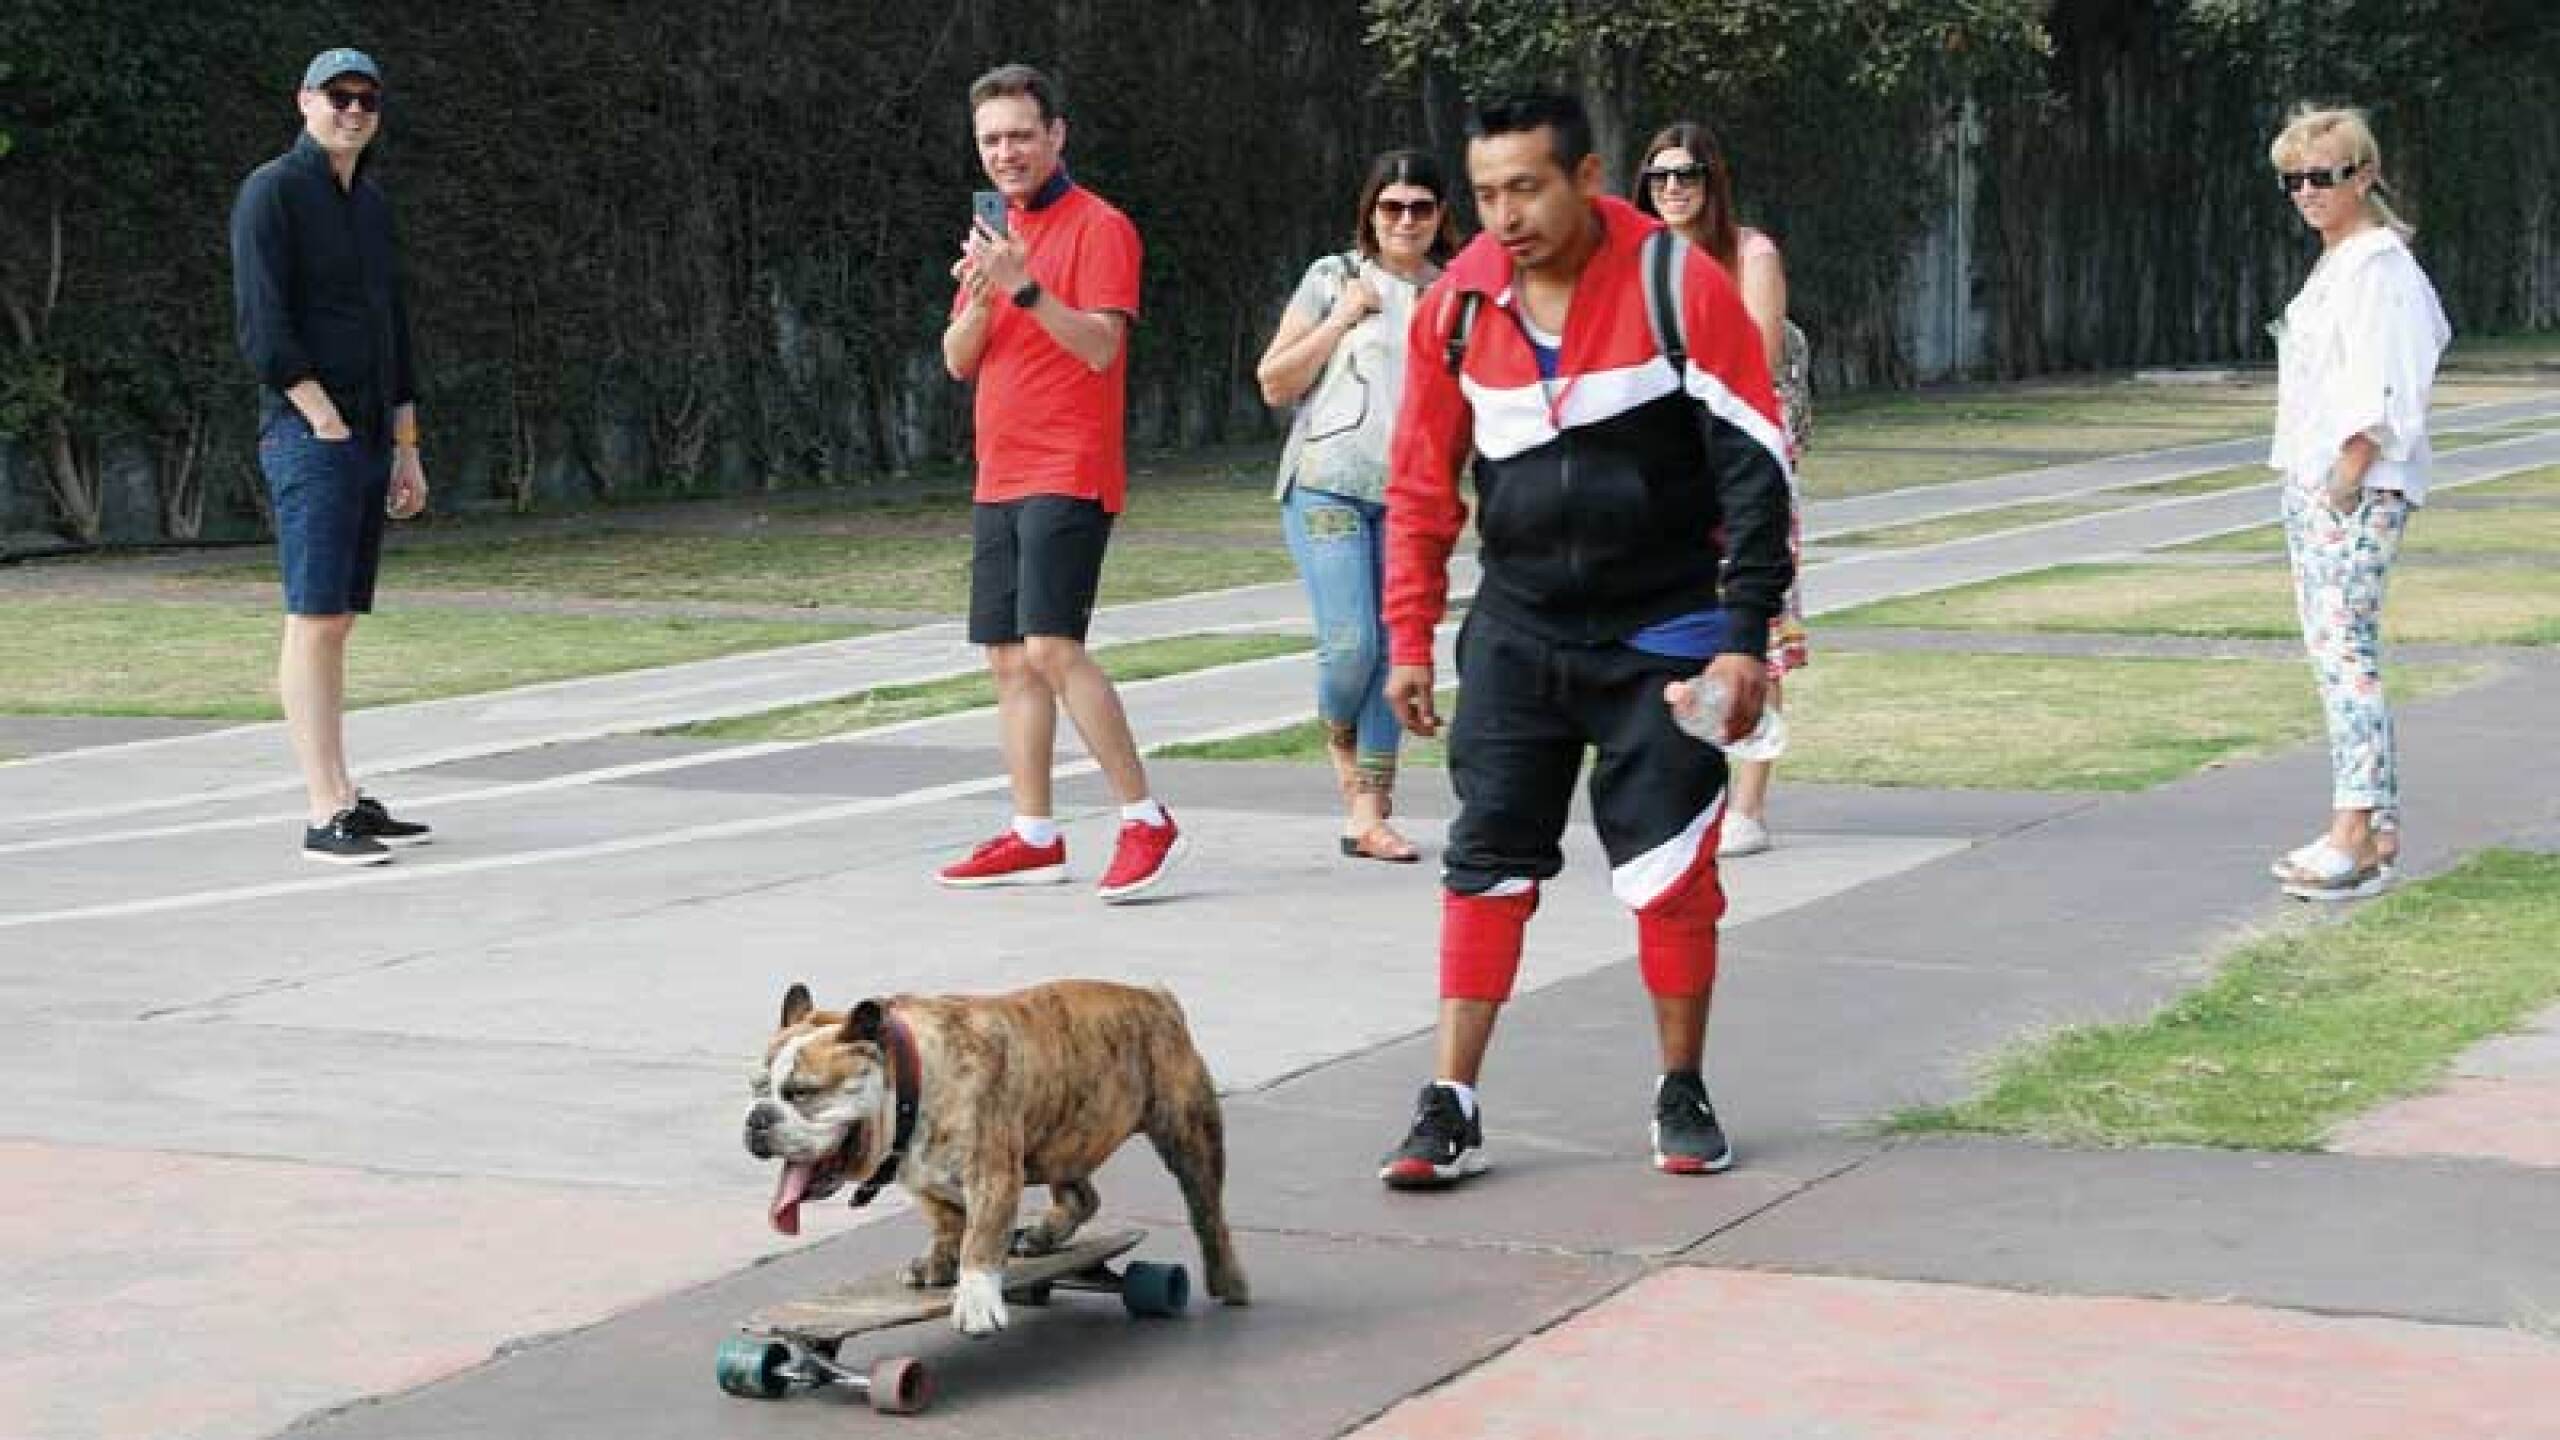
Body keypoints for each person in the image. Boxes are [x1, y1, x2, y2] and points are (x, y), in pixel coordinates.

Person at [1375, 93, 1795, 1187]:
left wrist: (1744, 637)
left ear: (1585, 175)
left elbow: (1754, 466)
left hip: (1667, 631)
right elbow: (1422, 482)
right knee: (1485, 865)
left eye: (1526, 188)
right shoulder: (1458, 308)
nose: (1502, 216)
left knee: (1670, 872)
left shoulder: (1673, 283)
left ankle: (1680, 1087)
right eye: (1485, 193)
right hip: (1518, 631)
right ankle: (1450, 1102)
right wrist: (1409, 635)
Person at [936, 63, 1184, 903]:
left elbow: (1100, 347)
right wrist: (981, 295)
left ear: (1057, 136)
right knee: (1008, 658)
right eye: (991, 140)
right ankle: (1034, 832)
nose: (1006, 152)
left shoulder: (1102, 227)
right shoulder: (996, 234)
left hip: (1069, 465)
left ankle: (1142, 815)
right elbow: (958, 360)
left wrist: (1026, 287)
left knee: (1051, 646)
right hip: (999, 469)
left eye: (1020, 135)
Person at [230, 47, 433, 866]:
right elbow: (263, 326)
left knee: (337, 619)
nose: (353, 110)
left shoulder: (371, 204)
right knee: (313, 619)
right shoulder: (272, 192)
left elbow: (395, 333)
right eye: (338, 96)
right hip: (311, 436)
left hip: (372, 437)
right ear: (305, 101)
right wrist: (322, 420)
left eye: (367, 98)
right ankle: (323, 813)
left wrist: (406, 447)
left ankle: (347, 795)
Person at [2263, 105, 2449, 902]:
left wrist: (2349, 471)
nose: (2307, 191)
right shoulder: (2341, 262)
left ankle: (2355, 827)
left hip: (2356, 485)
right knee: (2339, 654)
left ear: (2364, 175)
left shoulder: (2377, 266)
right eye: (2293, 178)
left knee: (2346, 661)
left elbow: (2385, 380)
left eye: (2324, 175)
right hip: (2319, 481)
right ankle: (2373, 830)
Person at [1254, 150, 1458, 864]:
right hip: (1327, 482)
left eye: (1420, 207)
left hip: (1411, 497)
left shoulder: (1457, 294)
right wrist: (1340, 318)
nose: (1405, 220)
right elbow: (1275, 382)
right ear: (1370, 212)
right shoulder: (1333, 278)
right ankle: (1338, 731)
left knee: (1396, 654)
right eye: (1391, 207)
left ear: (1440, 215)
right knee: (1353, 650)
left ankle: (1368, 813)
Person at [1634, 120, 1806, 859]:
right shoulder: (1635, 260)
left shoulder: (1749, 253)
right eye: (1660, 176)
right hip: (1661, 470)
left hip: (1740, 463)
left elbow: (1758, 358)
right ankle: (1683, 792)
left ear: (1712, 183)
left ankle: (1748, 805)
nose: (1673, 187)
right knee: (1672, 627)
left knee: (1755, 629)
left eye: (1688, 175)